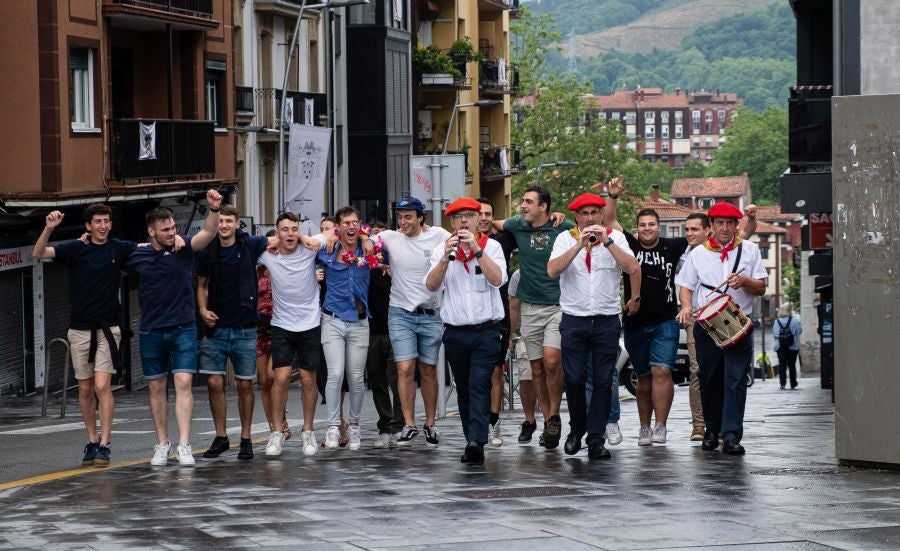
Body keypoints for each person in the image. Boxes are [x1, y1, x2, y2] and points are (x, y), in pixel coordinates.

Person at [605, 178, 756, 445]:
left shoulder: (675, 246)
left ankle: (691, 429)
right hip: (645, 322)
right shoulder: (629, 244)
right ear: (637, 229)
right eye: (642, 225)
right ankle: (655, 428)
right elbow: (610, 223)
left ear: (659, 227)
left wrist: (743, 277)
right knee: (652, 377)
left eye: (652, 224)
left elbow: (739, 241)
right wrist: (613, 197)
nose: (647, 228)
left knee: (670, 373)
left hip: (672, 321)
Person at [32, 204, 138, 466]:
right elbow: (38, 252)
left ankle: (105, 443)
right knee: (85, 388)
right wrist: (49, 227)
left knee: (103, 385)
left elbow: (148, 248)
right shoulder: (76, 248)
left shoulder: (118, 247)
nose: (103, 226)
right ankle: (92, 440)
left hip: (108, 328)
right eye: (98, 222)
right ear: (88, 226)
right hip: (79, 330)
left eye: (107, 221)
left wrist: (176, 240)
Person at [126, 189, 223, 466]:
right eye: (165, 229)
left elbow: (208, 234)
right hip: (151, 330)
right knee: (156, 387)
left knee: (183, 382)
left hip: (183, 327)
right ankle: (162, 443)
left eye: (172, 228)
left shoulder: (184, 249)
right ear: (151, 232)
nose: (171, 232)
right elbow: (110, 249)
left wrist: (213, 209)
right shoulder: (138, 255)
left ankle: (184, 443)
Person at [548, 193, 640, 459]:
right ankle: (577, 429)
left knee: (603, 381)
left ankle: (596, 438)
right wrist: (578, 245)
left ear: (601, 215)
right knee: (574, 378)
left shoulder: (616, 238)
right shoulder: (565, 238)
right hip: (574, 318)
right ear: (576, 217)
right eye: (584, 214)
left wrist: (607, 242)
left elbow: (632, 267)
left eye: (594, 213)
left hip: (606, 319)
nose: (590, 218)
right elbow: (552, 271)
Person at [675, 202, 767, 455]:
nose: (725, 228)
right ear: (711, 227)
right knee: (709, 378)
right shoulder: (697, 254)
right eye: (720, 223)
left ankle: (731, 434)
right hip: (707, 324)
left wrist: (745, 281)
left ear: (737, 225)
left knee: (736, 380)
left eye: (730, 223)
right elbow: (686, 286)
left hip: (739, 323)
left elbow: (761, 288)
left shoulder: (749, 250)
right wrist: (685, 306)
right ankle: (711, 430)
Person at [425, 197, 507, 465]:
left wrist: (478, 251)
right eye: (458, 217)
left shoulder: (491, 246)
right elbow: (431, 286)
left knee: (479, 383)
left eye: (469, 216)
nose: (464, 221)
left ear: (477, 220)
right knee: (464, 388)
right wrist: (445, 259)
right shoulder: (442, 249)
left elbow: (497, 279)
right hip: (456, 332)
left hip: (486, 331)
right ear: (451, 222)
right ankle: (472, 438)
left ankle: (476, 441)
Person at [496, 185, 574, 449]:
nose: (523, 205)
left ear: (544, 207)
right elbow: (494, 223)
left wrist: (563, 215)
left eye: (529, 202)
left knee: (553, 361)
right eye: (522, 201)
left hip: (558, 306)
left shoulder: (563, 227)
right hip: (529, 307)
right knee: (536, 368)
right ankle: (548, 419)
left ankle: (554, 414)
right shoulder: (518, 224)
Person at [373, 197, 451, 448]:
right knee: (405, 368)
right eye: (400, 216)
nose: (403, 221)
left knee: (428, 370)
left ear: (420, 217)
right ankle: (409, 424)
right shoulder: (389, 237)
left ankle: (430, 424)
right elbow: (357, 238)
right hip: (400, 313)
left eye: (408, 216)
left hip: (431, 313)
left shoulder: (438, 235)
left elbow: (465, 236)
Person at [195, 204, 270, 461]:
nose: (224, 225)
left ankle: (246, 438)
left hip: (244, 328)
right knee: (214, 382)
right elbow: (201, 284)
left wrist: (305, 237)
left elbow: (279, 238)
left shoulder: (249, 245)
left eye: (229, 221)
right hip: (216, 328)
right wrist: (203, 310)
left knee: (244, 383)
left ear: (238, 224)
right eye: (221, 221)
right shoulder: (207, 252)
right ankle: (221, 436)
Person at [257, 212, 323, 458]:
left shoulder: (309, 249)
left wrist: (307, 237)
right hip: (281, 324)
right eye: (285, 229)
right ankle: (276, 432)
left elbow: (332, 234)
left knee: (308, 379)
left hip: (310, 323)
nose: (290, 233)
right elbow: (241, 243)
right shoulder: (267, 254)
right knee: (280, 377)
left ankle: (308, 431)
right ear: (277, 232)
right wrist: (268, 242)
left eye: (294, 229)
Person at [318, 206, 378, 451]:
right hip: (332, 319)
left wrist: (366, 238)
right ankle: (333, 425)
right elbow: (305, 252)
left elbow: (382, 242)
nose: (350, 227)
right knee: (335, 374)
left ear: (359, 225)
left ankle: (354, 424)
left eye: (355, 223)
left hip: (360, 321)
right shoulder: (327, 250)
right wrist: (315, 272)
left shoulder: (370, 248)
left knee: (355, 377)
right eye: (345, 223)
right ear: (338, 227)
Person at [476, 197, 517, 447]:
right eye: (478, 213)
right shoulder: (455, 241)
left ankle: (494, 421)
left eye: (488, 214)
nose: (483, 218)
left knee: (495, 372)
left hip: (498, 315)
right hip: (470, 318)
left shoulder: (504, 238)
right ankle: (476, 422)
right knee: (473, 375)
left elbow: (524, 223)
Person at [365, 221, 404, 448]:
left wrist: (390, 271)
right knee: (376, 380)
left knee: (397, 378)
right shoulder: (364, 266)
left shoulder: (396, 264)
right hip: (371, 330)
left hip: (396, 328)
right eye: (373, 237)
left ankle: (399, 425)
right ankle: (385, 426)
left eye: (381, 237)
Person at [507, 269, 541, 442]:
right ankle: (529, 420)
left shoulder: (558, 266)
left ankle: (552, 421)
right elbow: (513, 306)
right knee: (525, 376)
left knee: (551, 375)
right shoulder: (519, 275)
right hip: (528, 331)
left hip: (556, 327)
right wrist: (510, 335)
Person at [772, 303, 802, 389]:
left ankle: (782, 384)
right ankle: (793, 383)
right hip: (793, 346)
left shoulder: (777, 321)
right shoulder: (794, 320)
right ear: (789, 310)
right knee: (792, 365)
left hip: (780, 346)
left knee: (782, 365)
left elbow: (775, 334)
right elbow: (799, 332)